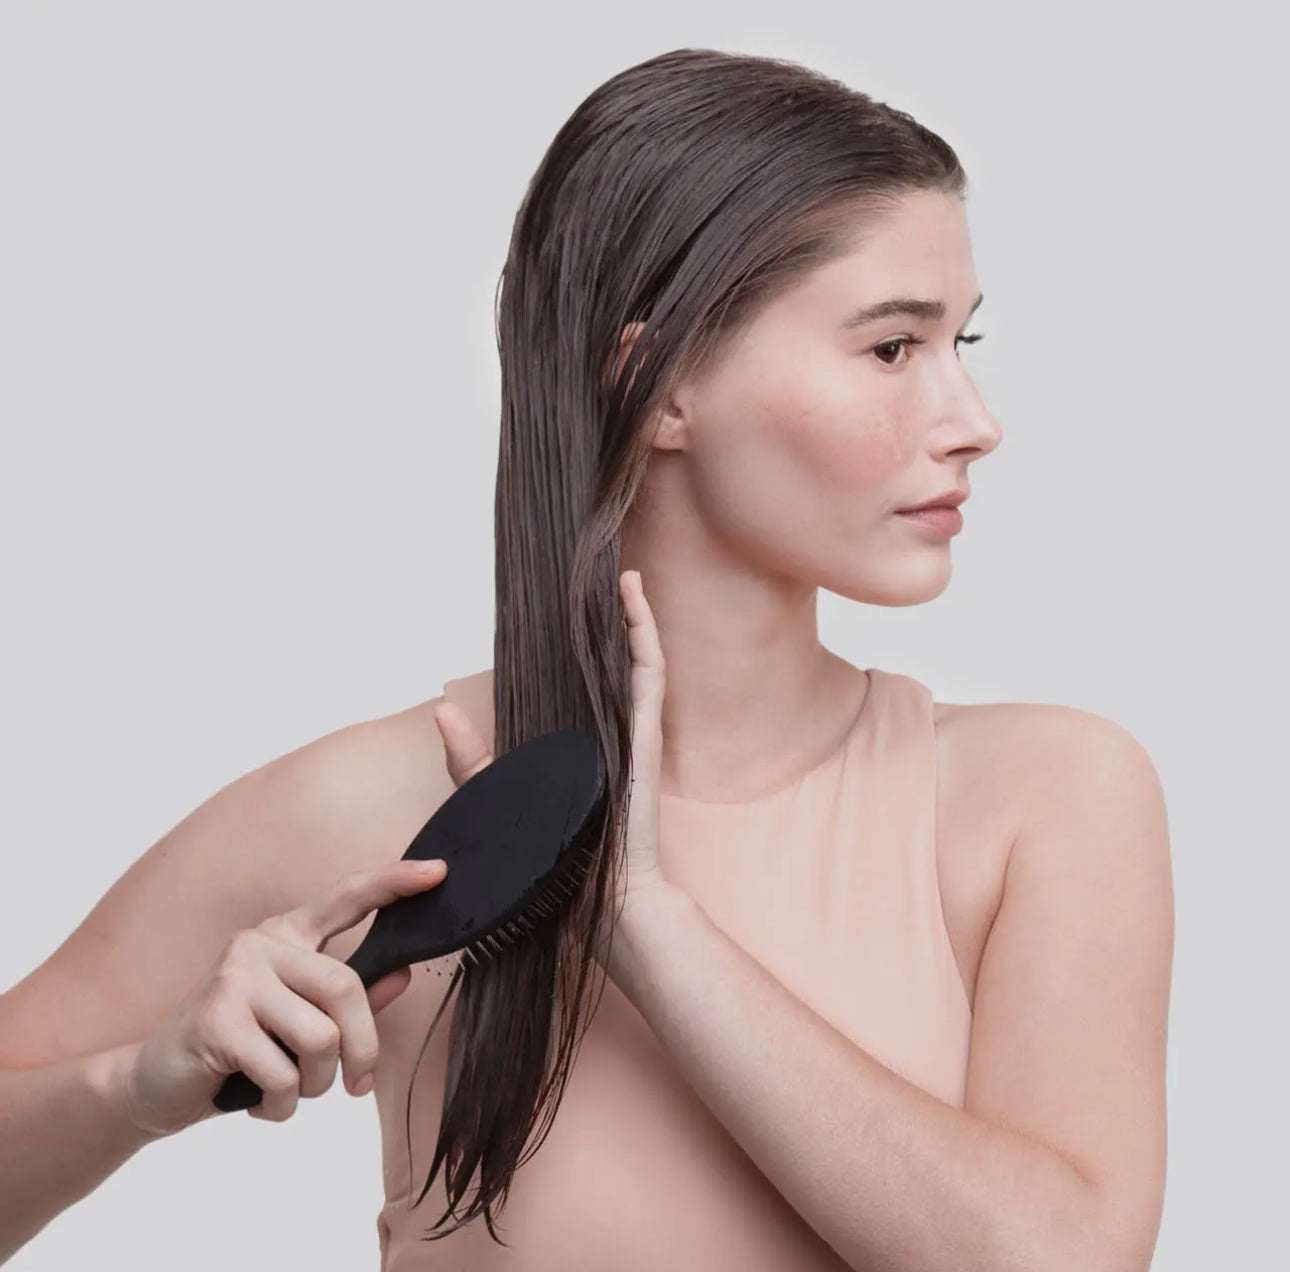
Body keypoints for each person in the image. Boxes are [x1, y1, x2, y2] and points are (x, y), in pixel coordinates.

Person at [0, 47, 1173, 1271]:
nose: (976, 424)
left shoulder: (1042, 799)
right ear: (656, 383)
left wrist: (643, 922)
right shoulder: (386, 816)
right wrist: (129, 1093)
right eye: (893, 350)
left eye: (962, 343)